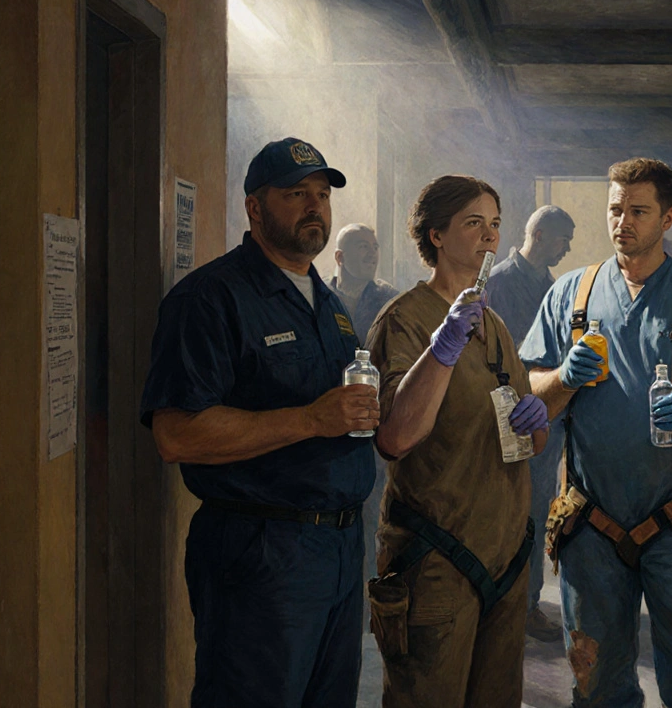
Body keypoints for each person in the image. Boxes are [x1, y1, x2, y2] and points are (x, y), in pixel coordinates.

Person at [140, 136, 379, 707]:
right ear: (254, 206)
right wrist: (311, 419)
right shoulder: (210, 299)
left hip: (340, 548)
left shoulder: (329, 304)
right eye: (296, 194)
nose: (315, 206)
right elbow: (176, 435)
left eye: (322, 194)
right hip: (262, 552)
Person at [520, 158, 672, 707]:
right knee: (596, 685)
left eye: (639, 211)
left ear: (667, 218)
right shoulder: (571, 294)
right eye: (616, 209)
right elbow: (532, 395)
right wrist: (563, 377)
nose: (623, 222)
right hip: (590, 524)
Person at [368, 175, 549, 708]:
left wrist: (537, 418)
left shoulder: (494, 326)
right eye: (474, 223)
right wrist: (442, 349)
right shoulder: (405, 320)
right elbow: (396, 437)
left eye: (495, 224)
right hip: (436, 561)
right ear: (437, 235)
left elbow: (532, 443)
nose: (490, 235)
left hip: (505, 561)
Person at [485, 204, 575, 643]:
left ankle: (527, 604)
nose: (567, 249)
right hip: (504, 416)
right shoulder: (498, 282)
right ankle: (500, 605)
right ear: (539, 235)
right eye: (563, 240)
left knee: (537, 510)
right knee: (504, 511)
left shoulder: (553, 287)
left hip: (545, 415)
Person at [328, 223, 399, 594]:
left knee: (374, 519)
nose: (372, 254)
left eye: (374, 246)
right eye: (361, 247)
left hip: (374, 426)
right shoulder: (320, 298)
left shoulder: (390, 300)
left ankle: (368, 603)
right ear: (339, 257)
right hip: (328, 426)